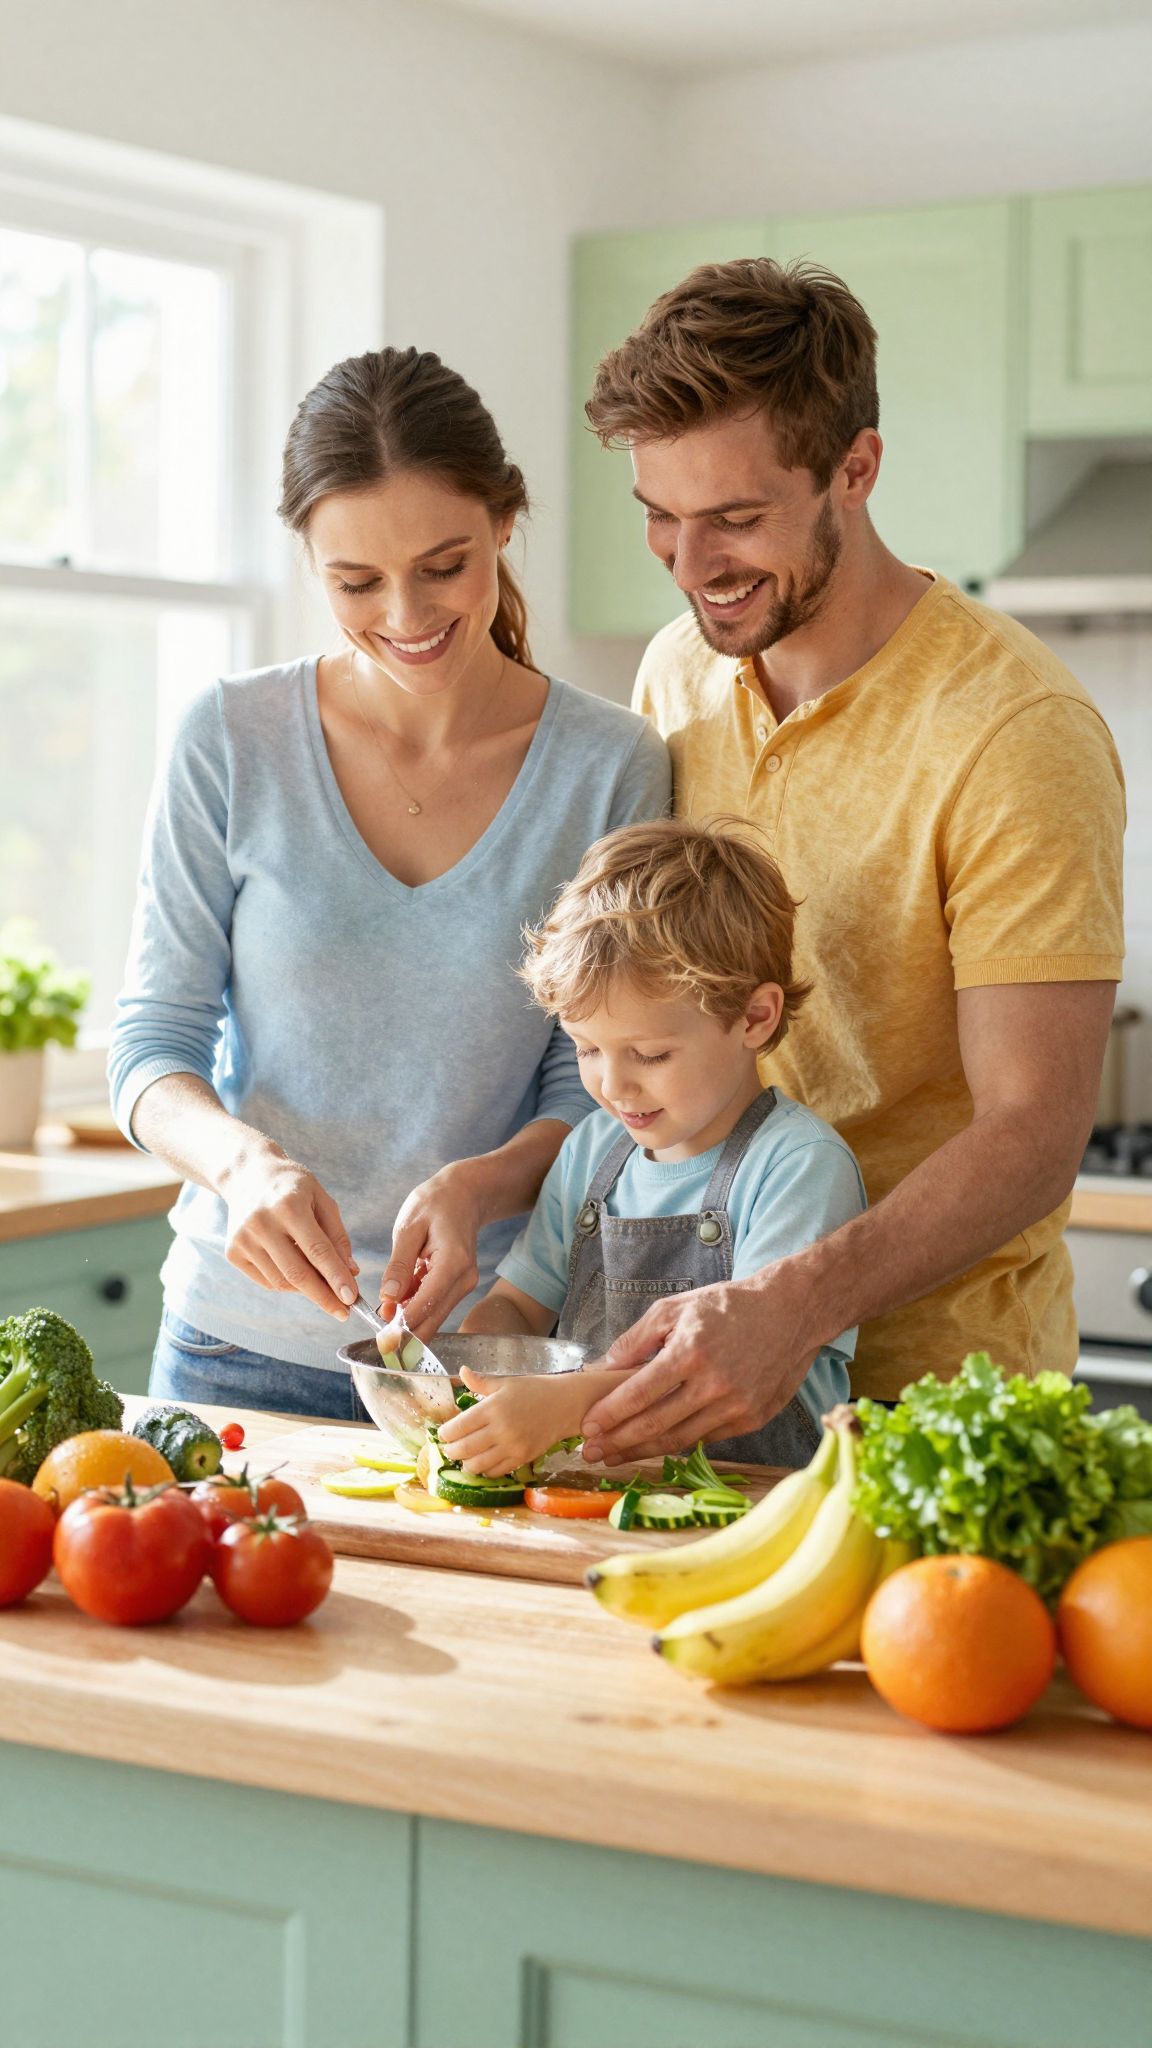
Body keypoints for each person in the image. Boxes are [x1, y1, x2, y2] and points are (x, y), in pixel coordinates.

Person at [570, 257, 1125, 1469]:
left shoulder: (1013, 729)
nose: (689, 559)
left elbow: (1035, 1126)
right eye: (660, 513)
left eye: (736, 517)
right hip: (703, 1380)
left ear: (856, 470)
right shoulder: (678, 671)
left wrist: (796, 1304)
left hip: (939, 1402)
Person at [108, 347, 669, 1418]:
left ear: (505, 522)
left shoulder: (611, 766)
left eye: (444, 564)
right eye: (355, 581)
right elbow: (151, 1043)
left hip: (492, 1360)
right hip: (234, 1348)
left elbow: (592, 1080)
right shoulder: (230, 740)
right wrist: (241, 1166)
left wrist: (482, 1184)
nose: (406, 614)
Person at [437, 819, 865, 1475]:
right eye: (587, 1049)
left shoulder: (798, 1167)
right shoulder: (591, 1151)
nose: (612, 1085)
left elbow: (728, 1364)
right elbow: (521, 1304)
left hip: (754, 1505)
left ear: (755, 1018)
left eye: (650, 1054)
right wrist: (485, 1368)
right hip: (597, 1498)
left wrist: (559, 1406)